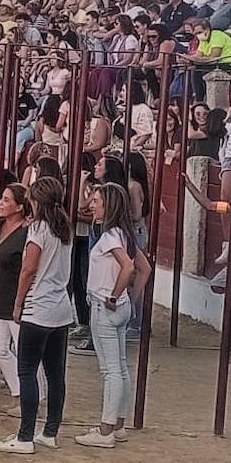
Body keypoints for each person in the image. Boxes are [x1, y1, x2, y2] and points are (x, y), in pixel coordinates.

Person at [0, 178, 74, 454]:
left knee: (26, 370)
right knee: (55, 373)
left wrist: (17, 304)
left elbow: (27, 270)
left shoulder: (38, 229)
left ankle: (25, 436)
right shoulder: (64, 228)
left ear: (36, 202)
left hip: (37, 307)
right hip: (61, 307)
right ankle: (50, 431)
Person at [76, 182, 150, 448]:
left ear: (108, 205)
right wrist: (130, 298)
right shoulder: (124, 234)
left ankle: (106, 429)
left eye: (96, 201)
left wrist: (113, 295)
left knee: (110, 370)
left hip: (105, 305)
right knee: (119, 366)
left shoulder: (109, 236)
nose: (91, 205)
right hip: (120, 306)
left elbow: (129, 267)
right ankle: (117, 425)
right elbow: (145, 269)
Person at [0, 183, 34, 415]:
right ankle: (19, 393)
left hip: (16, 298)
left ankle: (32, 396)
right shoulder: (0, 227)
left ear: (20, 207)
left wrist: (20, 301)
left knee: (25, 351)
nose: (1, 204)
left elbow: (28, 268)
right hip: (1, 296)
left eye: (6, 200)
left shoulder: (26, 232)